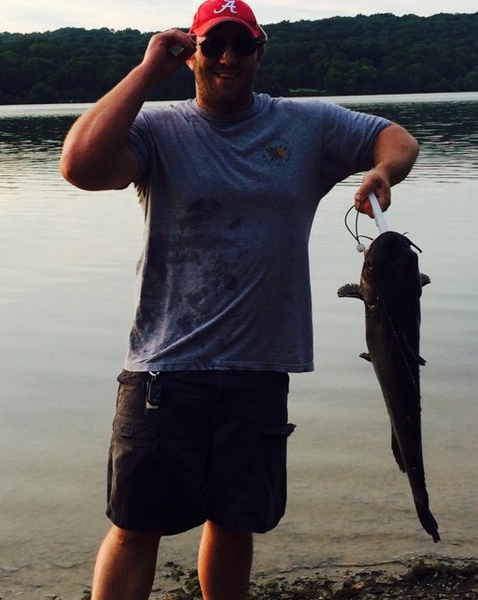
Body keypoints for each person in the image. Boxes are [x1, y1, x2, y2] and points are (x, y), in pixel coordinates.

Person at [60, 0, 419, 598]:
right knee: (134, 525)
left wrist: (384, 172)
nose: (229, 56)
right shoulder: (156, 130)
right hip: (164, 368)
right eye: (215, 44)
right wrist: (148, 71)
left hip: (258, 367)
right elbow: (79, 166)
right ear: (192, 52)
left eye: (242, 44)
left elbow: (398, 139)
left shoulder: (307, 125)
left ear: (260, 51)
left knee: (234, 522)